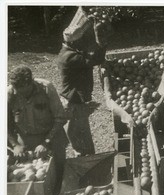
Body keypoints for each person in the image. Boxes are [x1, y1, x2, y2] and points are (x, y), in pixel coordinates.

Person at [57, 15, 111, 156]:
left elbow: (89, 54)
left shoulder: (69, 51)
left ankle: (86, 162)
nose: (83, 43)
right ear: (74, 43)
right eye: (81, 41)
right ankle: (86, 167)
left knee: (81, 137)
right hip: (73, 103)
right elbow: (96, 59)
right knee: (81, 141)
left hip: (74, 101)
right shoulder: (70, 57)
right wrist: (102, 42)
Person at [7, 65, 68, 176]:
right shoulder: (9, 94)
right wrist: (15, 145)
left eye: (23, 92)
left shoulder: (46, 88)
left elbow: (60, 118)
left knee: (60, 171)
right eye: (17, 91)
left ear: (30, 83)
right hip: (26, 137)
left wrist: (46, 142)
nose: (20, 95)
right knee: (30, 173)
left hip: (51, 135)